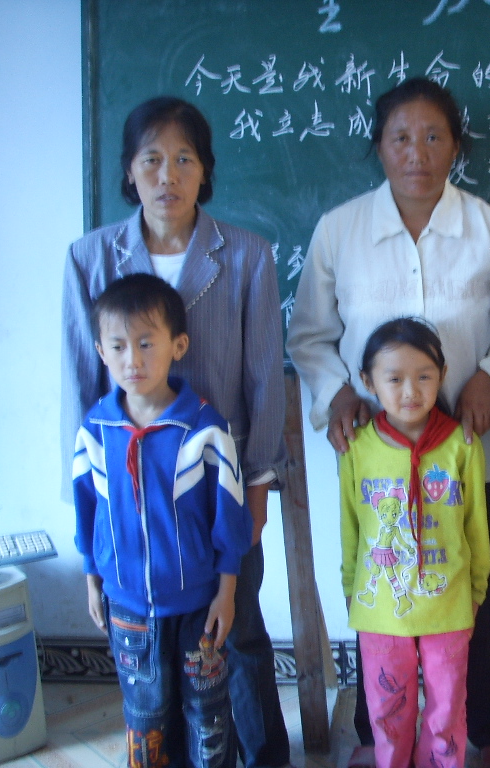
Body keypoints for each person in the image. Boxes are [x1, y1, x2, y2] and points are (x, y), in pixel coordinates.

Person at [287, 77, 490, 767]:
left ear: (456, 146)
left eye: (433, 136)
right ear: (379, 146)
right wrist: (338, 392)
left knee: (485, 589)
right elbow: (309, 335)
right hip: (379, 457)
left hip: (470, 445)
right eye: (400, 137)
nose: (416, 152)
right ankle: (380, 737)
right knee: (383, 588)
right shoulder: (340, 230)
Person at [61, 96, 290, 768]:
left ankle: (263, 755)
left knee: (237, 628)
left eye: (185, 159)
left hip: (217, 487)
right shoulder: (90, 258)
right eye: (152, 160)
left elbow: (264, 379)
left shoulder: (246, 256)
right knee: (152, 643)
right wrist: (86, 507)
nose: (169, 175)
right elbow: (78, 381)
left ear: (205, 170)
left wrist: (258, 486)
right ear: (129, 171)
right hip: (132, 491)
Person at [72, 274, 250, 768]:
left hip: (198, 606)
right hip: (126, 605)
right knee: (145, 713)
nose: (133, 360)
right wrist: (92, 577)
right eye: (118, 346)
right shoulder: (96, 430)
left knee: (207, 714)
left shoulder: (204, 428)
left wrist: (227, 590)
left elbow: (230, 516)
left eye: (146, 343)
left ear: (178, 346)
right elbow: (88, 510)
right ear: (101, 352)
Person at [341, 317, 490, 768]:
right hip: (381, 615)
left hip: (449, 605)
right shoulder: (357, 448)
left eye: (424, 377)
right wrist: (351, 588)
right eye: (394, 379)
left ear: (442, 376)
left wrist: (476, 589)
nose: (410, 391)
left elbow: (476, 525)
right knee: (388, 713)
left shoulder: (462, 445)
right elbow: (351, 525)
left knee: (447, 710)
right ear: (368, 382)